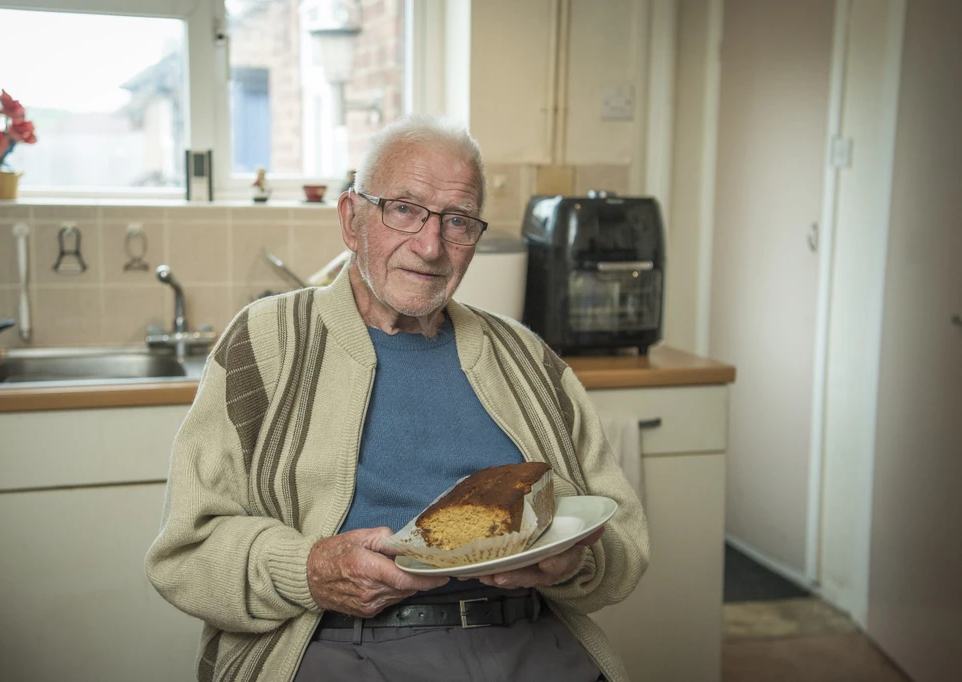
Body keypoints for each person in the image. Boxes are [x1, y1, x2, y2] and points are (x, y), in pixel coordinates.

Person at [145, 114, 649, 682]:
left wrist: (576, 561)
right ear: (351, 218)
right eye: (404, 209)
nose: (430, 245)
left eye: (457, 221)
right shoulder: (264, 343)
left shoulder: (528, 359)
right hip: (336, 646)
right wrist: (309, 570)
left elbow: (621, 536)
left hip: (530, 641)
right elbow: (185, 554)